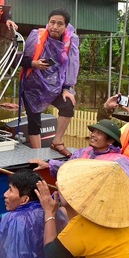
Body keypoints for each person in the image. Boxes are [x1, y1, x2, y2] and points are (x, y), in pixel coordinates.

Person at [20, 9, 80, 154]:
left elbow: (72, 65)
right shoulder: (37, 36)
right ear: (48, 23)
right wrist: (35, 64)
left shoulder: (70, 41)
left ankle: (57, 141)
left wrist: (67, 89)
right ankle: (37, 154)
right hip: (32, 86)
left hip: (55, 87)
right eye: (52, 22)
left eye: (60, 24)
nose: (55, 26)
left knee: (68, 105)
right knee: (34, 122)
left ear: (65, 27)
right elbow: (21, 60)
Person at [30, 119, 129, 195]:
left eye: (99, 133)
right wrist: (48, 164)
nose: (93, 135)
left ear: (110, 140)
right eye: (94, 132)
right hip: (76, 197)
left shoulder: (119, 161)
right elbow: (68, 168)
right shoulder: (84, 152)